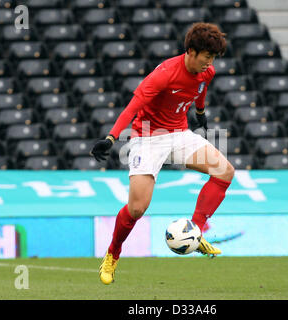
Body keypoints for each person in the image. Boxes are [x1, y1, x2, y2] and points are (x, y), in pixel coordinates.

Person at [90, 22, 234, 285]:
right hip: (148, 137)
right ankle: (113, 254)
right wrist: (111, 138)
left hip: (179, 133)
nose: (209, 63)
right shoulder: (165, 74)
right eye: (206, 57)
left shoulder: (207, 71)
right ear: (191, 51)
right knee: (137, 208)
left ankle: (196, 230)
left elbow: (200, 91)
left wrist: (200, 114)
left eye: (213, 58)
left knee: (224, 172)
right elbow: (132, 107)